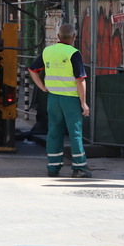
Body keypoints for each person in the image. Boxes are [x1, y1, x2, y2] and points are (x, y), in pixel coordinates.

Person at [28, 24, 91, 178]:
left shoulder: (48, 51)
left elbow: (32, 69)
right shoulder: (74, 53)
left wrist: (42, 87)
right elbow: (80, 80)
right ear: (74, 37)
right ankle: (79, 168)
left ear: (57, 37)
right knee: (75, 133)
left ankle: (53, 167)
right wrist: (83, 103)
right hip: (70, 99)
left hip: (53, 98)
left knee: (54, 131)